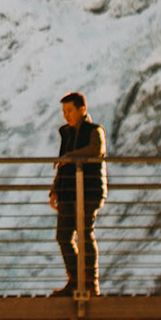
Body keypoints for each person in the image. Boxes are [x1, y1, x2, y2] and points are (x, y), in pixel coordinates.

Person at [49, 91, 106, 296]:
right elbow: (62, 163)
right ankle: (76, 280)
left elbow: (96, 149)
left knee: (84, 233)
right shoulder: (66, 133)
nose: (66, 115)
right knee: (63, 235)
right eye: (64, 111)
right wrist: (55, 188)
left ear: (82, 109)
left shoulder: (94, 130)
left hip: (88, 190)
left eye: (70, 110)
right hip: (67, 192)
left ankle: (90, 283)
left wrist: (71, 156)